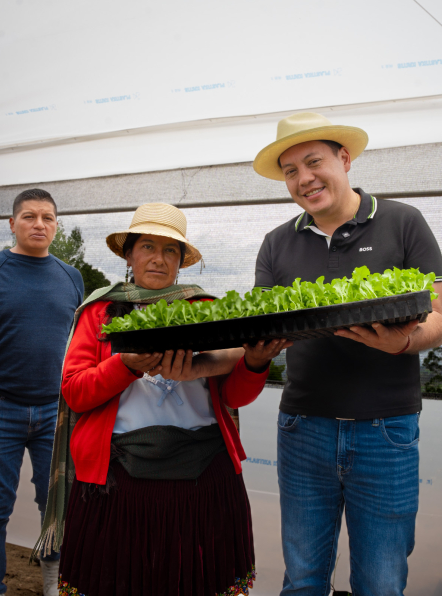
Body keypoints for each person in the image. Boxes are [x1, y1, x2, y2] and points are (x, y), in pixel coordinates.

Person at [35, 203, 287, 596]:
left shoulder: (207, 310)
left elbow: (235, 395)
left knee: (195, 582)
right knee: (117, 581)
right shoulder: (100, 313)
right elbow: (76, 392)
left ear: (182, 261)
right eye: (148, 246)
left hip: (203, 476)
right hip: (118, 480)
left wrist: (254, 362)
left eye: (170, 250)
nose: (158, 258)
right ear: (129, 254)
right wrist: (126, 365)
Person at [251, 112, 442, 596]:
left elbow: (439, 318)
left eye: (313, 162)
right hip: (303, 427)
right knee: (302, 579)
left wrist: (402, 341)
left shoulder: (404, 222)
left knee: (380, 583)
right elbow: (261, 326)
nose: (304, 179)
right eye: (291, 171)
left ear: (345, 158)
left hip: (386, 431)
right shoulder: (276, 243)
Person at [0, 189, 84, 596]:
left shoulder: (71, 276)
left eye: (47, 217)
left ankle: (53, 581)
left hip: (54, 409)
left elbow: (82, 338)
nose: (39, 224)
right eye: (29, 216)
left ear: (56, 225)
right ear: (12, 224)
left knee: (56, 506)